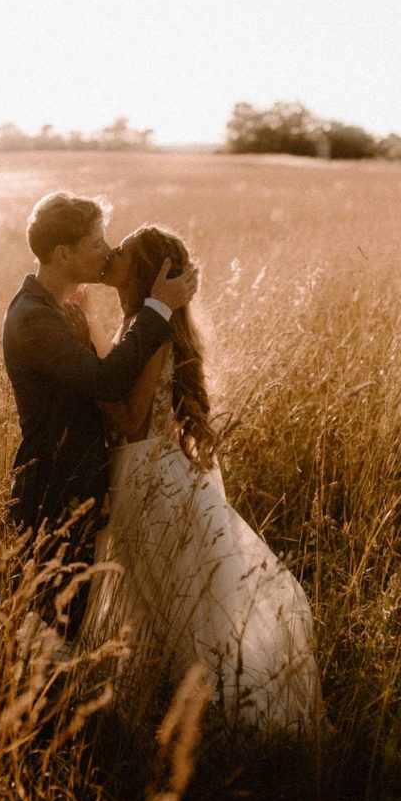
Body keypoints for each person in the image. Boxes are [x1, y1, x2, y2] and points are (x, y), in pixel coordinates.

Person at [82, 225, 323, 737]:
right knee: (161, 599)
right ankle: (176, 708)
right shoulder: (139, 323)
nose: (112, 254)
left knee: (177, 603)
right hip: (149, 474)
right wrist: (89, 327)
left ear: (143, 273)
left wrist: (86, 376)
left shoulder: (151, 331)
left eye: (122, 251)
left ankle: (214, 717)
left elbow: (131, 420)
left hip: (149, 479)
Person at [2, 193, 198, 637]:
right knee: (56, 627)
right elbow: (107, 384)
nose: (107, 252)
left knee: (77, 621)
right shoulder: (34, 318)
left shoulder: (57, 308)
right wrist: (159, 308)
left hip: (82, 485)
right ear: (62, 254)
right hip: (56, 488)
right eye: (97, 243)